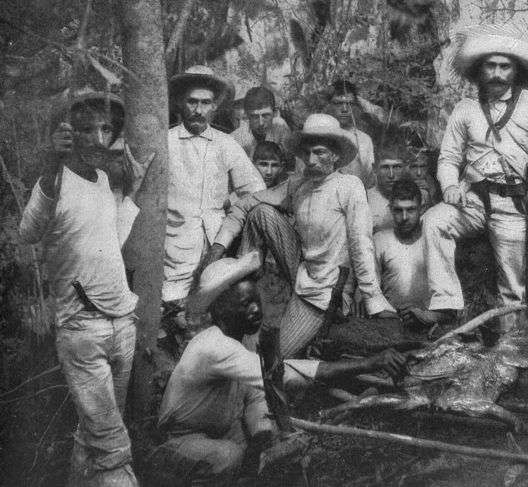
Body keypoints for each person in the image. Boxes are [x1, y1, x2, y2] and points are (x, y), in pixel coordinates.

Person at [150, 255, 407, 485]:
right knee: (227, 457)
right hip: (178, 443)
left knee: (265, 447)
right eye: (244, 304)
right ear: (219, 311)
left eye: (255, 300)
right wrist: (367, 363)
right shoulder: (214, 345)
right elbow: (281, 375)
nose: (255, 309)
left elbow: (256, 395)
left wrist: (264, 437)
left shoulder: (244, 339)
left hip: (220, 432)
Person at [422, 23, 528, 337]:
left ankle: (509, 345)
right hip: (471, 199)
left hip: (513, 203)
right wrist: (448, 185)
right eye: (491, 65)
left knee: (512, 286)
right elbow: (448, 157)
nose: (498, 73)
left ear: (516, 71)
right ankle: (445, 305)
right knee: (434, 221)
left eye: (505, 66)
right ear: (479, 69)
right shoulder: (465, 109)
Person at [19, 92, 148, 486]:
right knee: (111, 445)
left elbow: (107, 242)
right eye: (87, 129)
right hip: (82, 330)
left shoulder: (105, 180)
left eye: (106, 128)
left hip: (122, 322)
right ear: (68, 134)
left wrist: (135, 192)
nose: (97, 138)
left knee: (96, 435)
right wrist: (50, 165)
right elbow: (28, 232)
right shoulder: (56, 180)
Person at [203, 113, 395, 358]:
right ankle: (242, 290)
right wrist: (217, 250)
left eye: (320, 152)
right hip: (301, 274)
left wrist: (373, 299)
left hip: (327, 289)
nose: (311, 160)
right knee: (261, 212)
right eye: (307, 153)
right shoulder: (298, 186)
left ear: (336, 154)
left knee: (275, 362)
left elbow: (361, 244)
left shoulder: (349, 186)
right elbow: (244, 205)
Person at [163, 65, 266, 304]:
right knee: (173, 309)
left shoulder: (226, 144)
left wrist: (231, 205)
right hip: (174, 246)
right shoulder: (166, 142)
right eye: (192, 102)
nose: (199, 110)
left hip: (218, 243)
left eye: (206, 103)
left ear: (215, 106)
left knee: (216, 307)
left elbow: (257, 191)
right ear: (180, 102)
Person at [374, 180, 454, 330]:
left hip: (430, 326)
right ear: (390, 209)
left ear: (422, 209)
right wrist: (390, 314)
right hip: (390, 325)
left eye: (410, 210)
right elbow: (371, 295)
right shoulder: (380, 240)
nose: (404, 217)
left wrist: (423, 314)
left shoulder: (437, 240)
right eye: (398, 210)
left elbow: (451, 308)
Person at [326, 79, 376, 187]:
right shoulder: (318, 134)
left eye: (349, 104)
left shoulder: (363, 140)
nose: (344, 109)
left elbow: (369, 178)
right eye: (338, 103)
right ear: (329, 105)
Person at [231, 86, 293, 162]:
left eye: (266, 115)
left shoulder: (281, 128)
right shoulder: (236, 139)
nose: (261, 123)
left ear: (275, 113)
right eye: (255, 117)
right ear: (246, 115)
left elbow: (289, 158)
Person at [368, 147, 408, 234]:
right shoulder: (364, 200)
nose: (391, 175)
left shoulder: (414, 197)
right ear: (374, 169)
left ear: (405, 168)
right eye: (385, 167)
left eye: (397, 167)